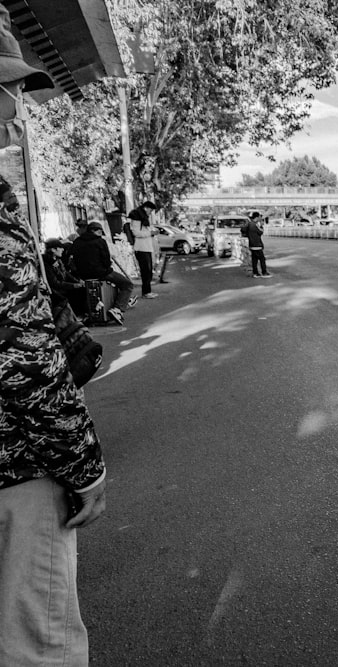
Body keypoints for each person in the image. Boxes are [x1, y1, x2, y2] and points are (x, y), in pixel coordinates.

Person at [0, 7, 107, 663]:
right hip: (17, 464)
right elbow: (25, 362)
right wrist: (84, 463)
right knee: (41, 644)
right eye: (6, 88)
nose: (15, 109)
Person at [69, 221, 134, 324]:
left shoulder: (77, 242)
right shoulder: (100, 241)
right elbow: (106, 260)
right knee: (127, 284)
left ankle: (86, 313)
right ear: (94, 231)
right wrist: (107, 267)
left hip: (83, 275)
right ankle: (117, 309)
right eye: (100, 231)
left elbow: (72, 259)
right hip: (101, 273)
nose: (100, 233)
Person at [43, 238, 87, 314]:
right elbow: (55, 283)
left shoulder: (58, 260)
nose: (63, 249)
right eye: (60, 247)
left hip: (62, 287)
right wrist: (74, 285)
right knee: (78, 293)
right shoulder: (47, 264)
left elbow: (65, 273)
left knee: (83, 289)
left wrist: (77, 281)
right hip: (55, 291)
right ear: (53, 249)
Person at [127, 200, 160, 299]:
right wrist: (151, 233)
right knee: (145, 271)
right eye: (150, 210)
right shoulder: (137, 218)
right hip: (141, 248)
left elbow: (145, 230)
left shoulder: (143, 217)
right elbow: (136, 233)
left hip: (146, 247)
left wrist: (152, 231)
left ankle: (148, 291)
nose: (151, 212)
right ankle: (146, 292)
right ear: (146, 208)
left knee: (149, 271)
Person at [243, 211, 271, 277]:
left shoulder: (249, 224)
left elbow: (244, 231)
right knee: (262, 259)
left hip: (252, 245)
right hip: (257, 245)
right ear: (257, 217)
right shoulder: (254, 225)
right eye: (259, 217)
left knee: (254, 260)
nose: (260, 218)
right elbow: (261, 232)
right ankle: (264, 272)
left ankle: (255, 273)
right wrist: (261, 226)